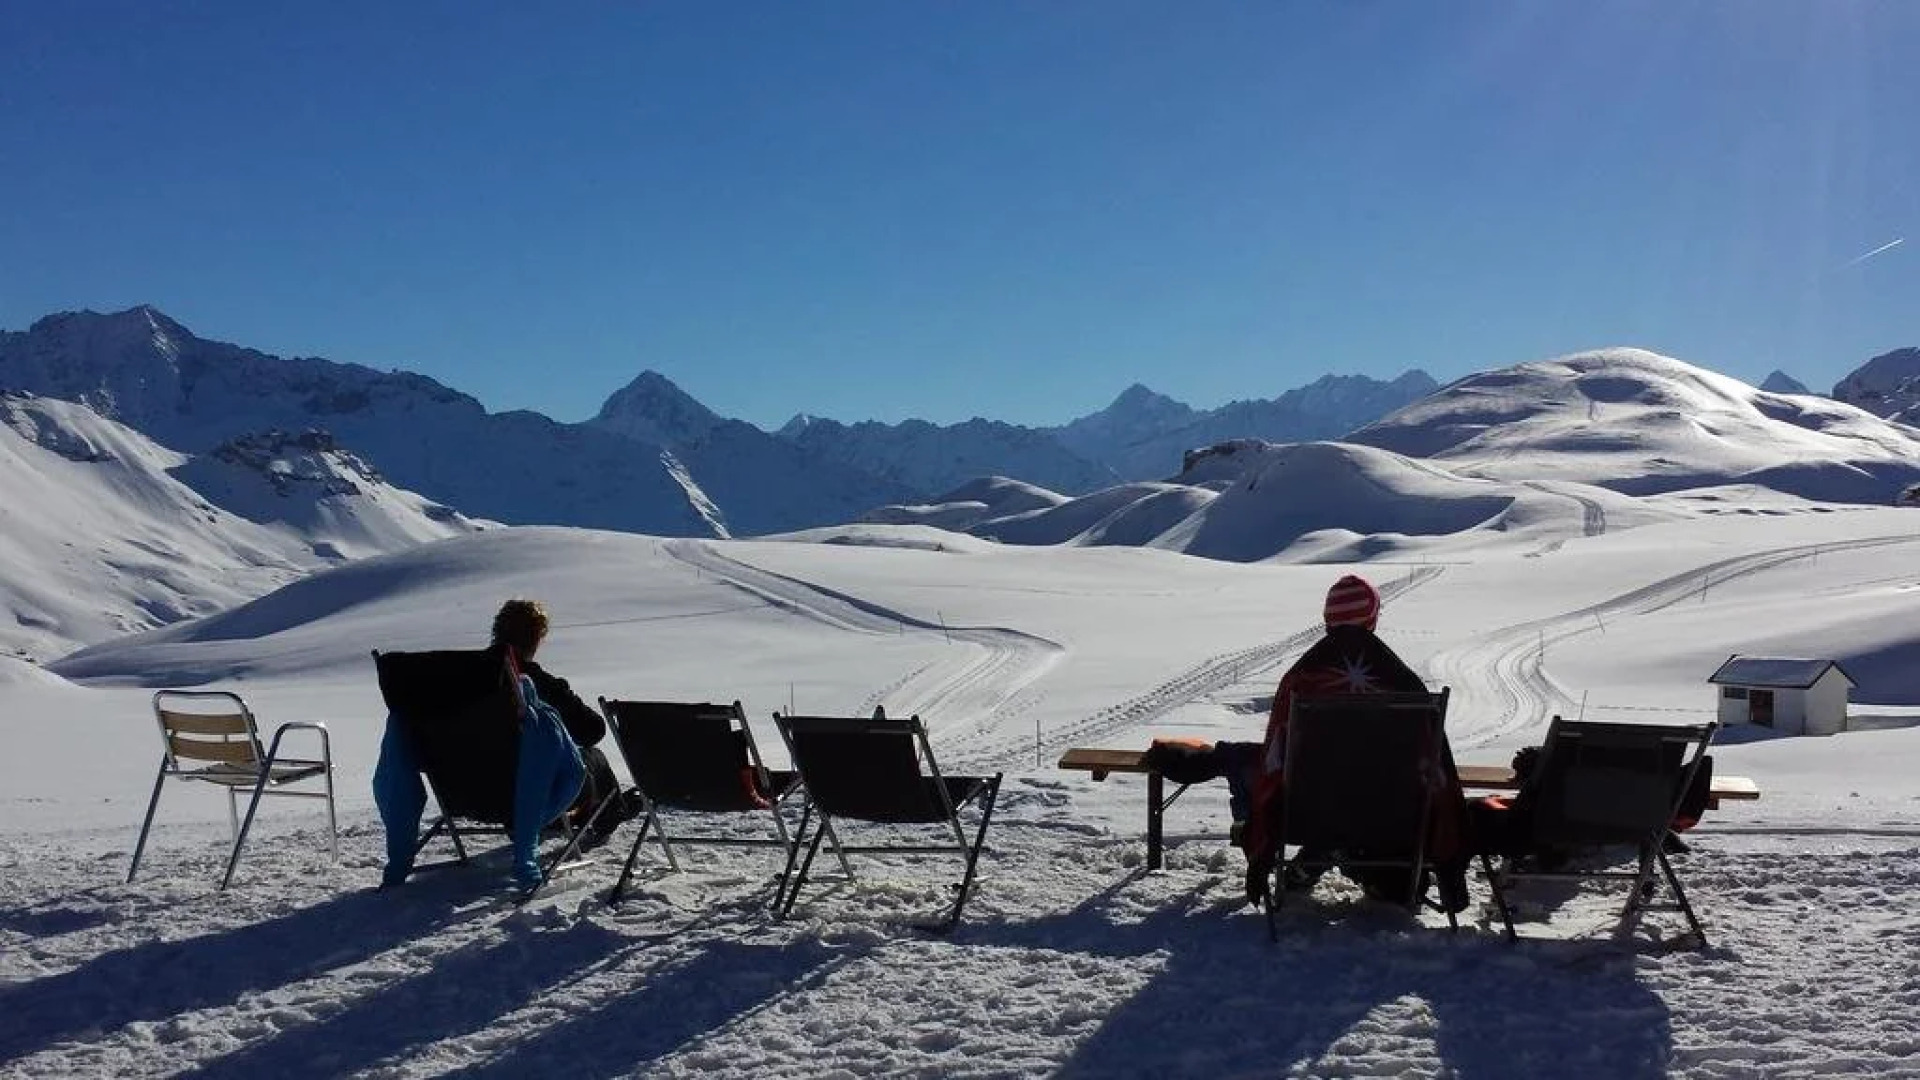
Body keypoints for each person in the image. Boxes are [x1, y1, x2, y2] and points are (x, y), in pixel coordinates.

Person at [1241, 574, 1469, 911]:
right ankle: (1349, 858)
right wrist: (1450, 860)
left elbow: (1274, 760)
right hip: (1395, 817)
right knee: (1397, 883)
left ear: (1327, 618)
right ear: (1372, 618)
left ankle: (1325, 852)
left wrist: (1261, 843)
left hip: (1308, 815)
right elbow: (1437, 766)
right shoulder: (1403, 681)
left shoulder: (1302, 678)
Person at [485, 599, 638, 849]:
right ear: (536, 639)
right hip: (537, 788)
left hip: (475, 787)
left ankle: (569, 816)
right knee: (594, 757)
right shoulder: (536, 681)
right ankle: (607, 815)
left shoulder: (467, 680)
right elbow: (592, 730)